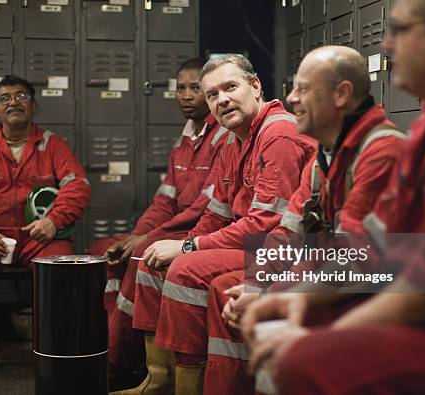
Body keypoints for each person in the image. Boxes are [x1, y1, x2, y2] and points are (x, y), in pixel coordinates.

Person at [242, 1, 425, 393]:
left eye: (401, 30)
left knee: (304, 362)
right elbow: (374, 245)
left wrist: (324, 329)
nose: (388, 44)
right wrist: (300, 297)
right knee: (285, 331)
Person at [203, 45, 407, 395]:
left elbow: (357, 258)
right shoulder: (322, 160)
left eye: (303, 89)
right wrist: (256, 283)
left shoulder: (382, 152)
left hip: (396, 295)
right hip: (354, 282)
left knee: (286, 338)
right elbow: (288, 234)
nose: (291, 99)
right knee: (241, 301)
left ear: (341, 94)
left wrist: (272, 293)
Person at [124, 54, 315, 394]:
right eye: (212, 94)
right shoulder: (233, 139)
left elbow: (264, 223)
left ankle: (198, 386)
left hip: (289, 248)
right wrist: (186, 244)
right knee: (151, 263)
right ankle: (160, 378)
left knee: (185, 270)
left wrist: (187, 247)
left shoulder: (279, 133)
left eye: (230, 87)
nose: (221, 99)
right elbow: (217, 213)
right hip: (257, 242)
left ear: (255, 87)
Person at [87, 57, 229, 377]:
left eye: (196, 88)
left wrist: (145, 239)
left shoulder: (225, 138)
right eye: (181, 88)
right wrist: (134, 234)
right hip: (172, 228)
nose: (187, 95)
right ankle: (117, 342)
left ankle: (121, 361)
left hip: (201, 231)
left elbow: (203, 209)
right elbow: (164, 200)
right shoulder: (185, 138)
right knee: (103, 251)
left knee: (141, 254)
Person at [0, 75, 90, 379]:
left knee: (62, 269)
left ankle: (54, 347)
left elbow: (78, 187)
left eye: (21, 96)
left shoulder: (53, 146)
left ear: (33, 106)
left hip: (40, 237)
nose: (13, 102)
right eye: (5, 98)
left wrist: (54, 220)